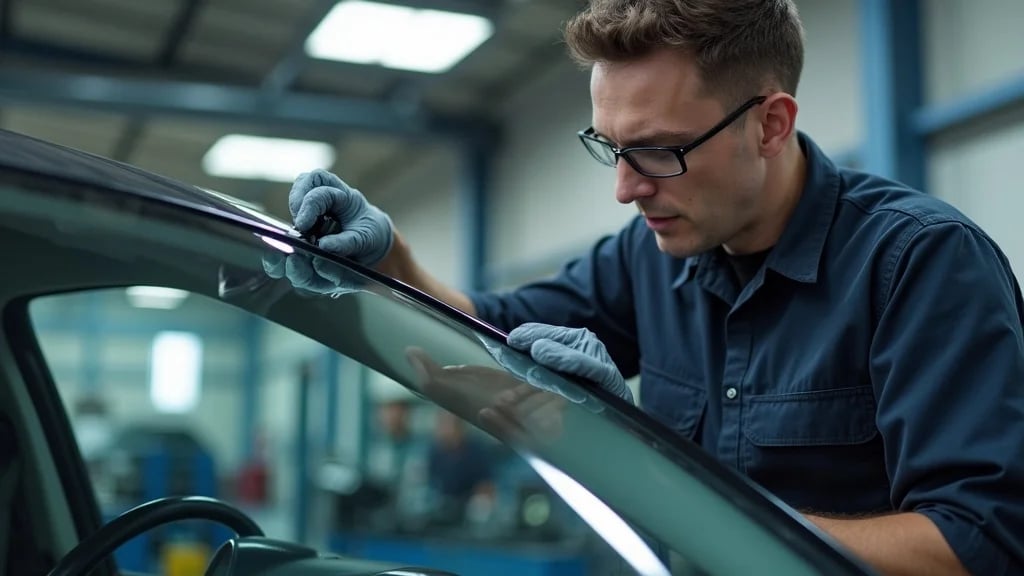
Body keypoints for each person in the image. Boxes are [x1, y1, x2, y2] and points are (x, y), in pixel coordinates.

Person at [280, 1, 1024, 574]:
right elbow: (495, 332)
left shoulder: (920, 265)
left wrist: (667, 484)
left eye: (658, 152)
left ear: (769, 124)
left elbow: (975, 543)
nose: (626, 189)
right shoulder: (651, 256)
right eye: (610, 148)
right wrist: (394, 263)